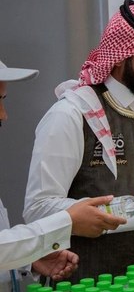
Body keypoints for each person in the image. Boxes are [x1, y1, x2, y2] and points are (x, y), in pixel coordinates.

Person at [23, 0, 134, 281]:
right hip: (86, 281)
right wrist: (130, 211)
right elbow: (38, 209)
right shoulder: (72, 114)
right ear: (119, 57)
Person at [0, 59, 127, 287]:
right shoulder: (65, 116)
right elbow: (38, 207)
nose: (3, 115)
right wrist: (66, 222)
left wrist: (28, 260)